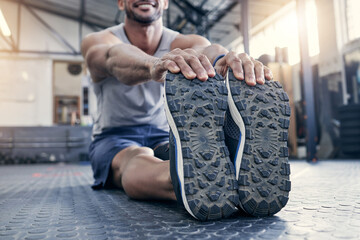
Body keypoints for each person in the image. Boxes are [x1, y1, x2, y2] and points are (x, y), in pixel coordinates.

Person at [81, 0, 291, 221]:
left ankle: (227, 166)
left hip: (168, 133)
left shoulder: (182, 41)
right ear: (122, 3)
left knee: (181, 152)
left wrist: (225, 61)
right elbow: (111, 57)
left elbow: (207, 49)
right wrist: (154, 65)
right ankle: (180, 180)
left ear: (165, 2)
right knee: (135, 157)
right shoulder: (98, 40)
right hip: (113, 137)